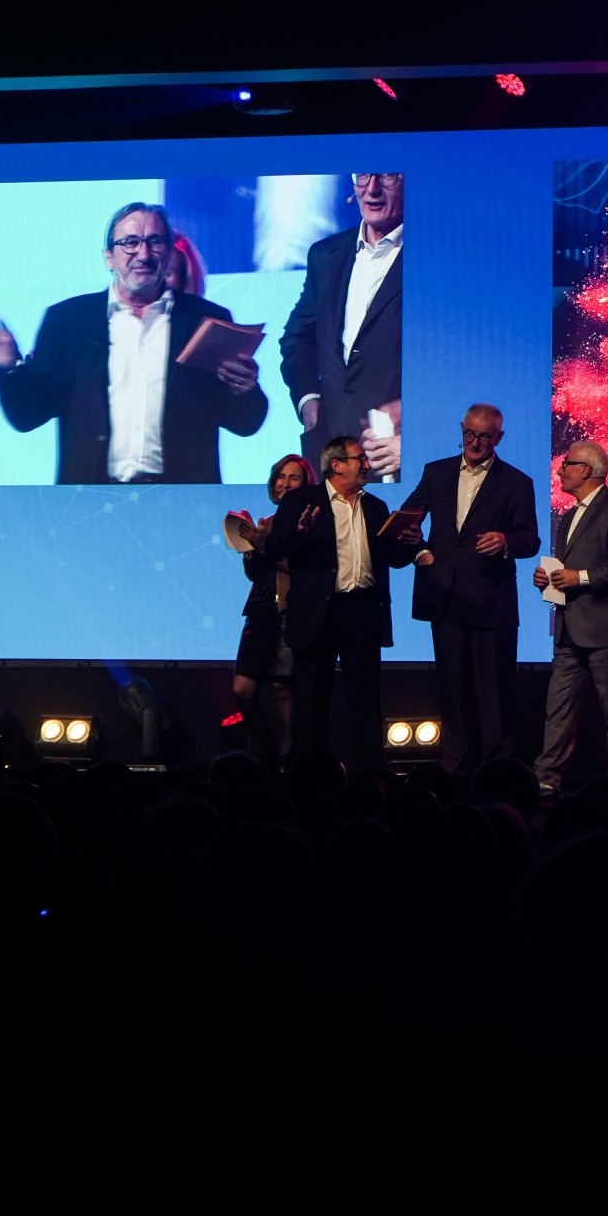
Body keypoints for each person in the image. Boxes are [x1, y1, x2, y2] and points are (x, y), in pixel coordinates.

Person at [0, 203, 267, 484]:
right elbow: (27, 416)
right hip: (90, 504)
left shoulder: (206, 320)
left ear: (169, 254)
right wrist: (11, 367)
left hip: (182, 504)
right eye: (130, 242)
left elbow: (245, 423)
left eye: (155, 242)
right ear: (108, 256)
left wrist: (245, 389)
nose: (143, 255)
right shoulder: (66, 321)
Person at [240, 436, 417, 769]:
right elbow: (275, 550)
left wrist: (410, 543)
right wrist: (300, 533)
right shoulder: (301, 502)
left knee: (365, 700)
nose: (366, 464)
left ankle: (370, 779)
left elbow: (390, 559)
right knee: (312, 702)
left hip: (362, 612)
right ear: (336, 465)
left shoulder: (375, 507)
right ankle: (311, 780)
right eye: (359, 458)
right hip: (317, 613)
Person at [399, 404, 541, 774]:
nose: (475, 443)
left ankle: (497, 772)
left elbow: (530, 540)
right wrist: (421, 552)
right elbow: (405, 521)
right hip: (444, 597)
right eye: (469, 434)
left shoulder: (516, 482)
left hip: (490, 601)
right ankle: (454, 772)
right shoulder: (436, 472)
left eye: (484, 436)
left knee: (494, 693)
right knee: (452, 691)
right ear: (461, 430)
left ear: (499, 437)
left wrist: (505, 539)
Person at [531, 440, 608, 798]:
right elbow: (567, 569)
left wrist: (580, 577)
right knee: (558, 711)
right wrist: (548, 580)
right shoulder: (567, 516)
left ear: (586, 470)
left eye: (567, 464)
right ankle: (546, 780)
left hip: (607, 631)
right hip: (569, 631)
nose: (560, 469)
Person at [278, 171, 404, 481]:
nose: (371, 189)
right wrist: (308, 402)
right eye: (363, 176)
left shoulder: (437, 257)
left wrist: (416, 421)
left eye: (387, 176)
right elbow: (296, 339)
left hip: (392, 456)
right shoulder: (326, 254)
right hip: (328, 452)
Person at [231, 452, 313, 760]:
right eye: (281, 476)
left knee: (282, 689)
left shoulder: (311, 521)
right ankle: (263, 752)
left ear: (305, 483)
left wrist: (263, 545)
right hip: (260, 608)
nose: (285, 483)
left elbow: (300, 567)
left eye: (294, 477)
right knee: (242, 689)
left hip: (288, 609)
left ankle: (286, 761)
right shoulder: (267, 522)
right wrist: (250, 548)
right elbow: (255, 573)